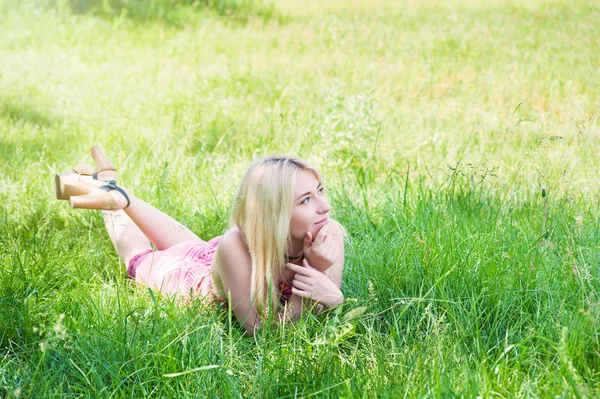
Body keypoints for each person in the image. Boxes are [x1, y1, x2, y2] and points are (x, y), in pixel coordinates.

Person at [55, 147, 345, 333]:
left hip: (219, 259)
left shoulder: (327, 233)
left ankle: (112, 187)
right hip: (191, 281)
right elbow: (263, 335)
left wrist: (332, 297)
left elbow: (320, 308)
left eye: (320, 191)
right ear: (274, 214)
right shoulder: (236, 245)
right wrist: (316, 272)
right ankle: (113, 201)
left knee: (192, 245)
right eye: (306, 199)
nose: (325, 206)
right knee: (138, 257)